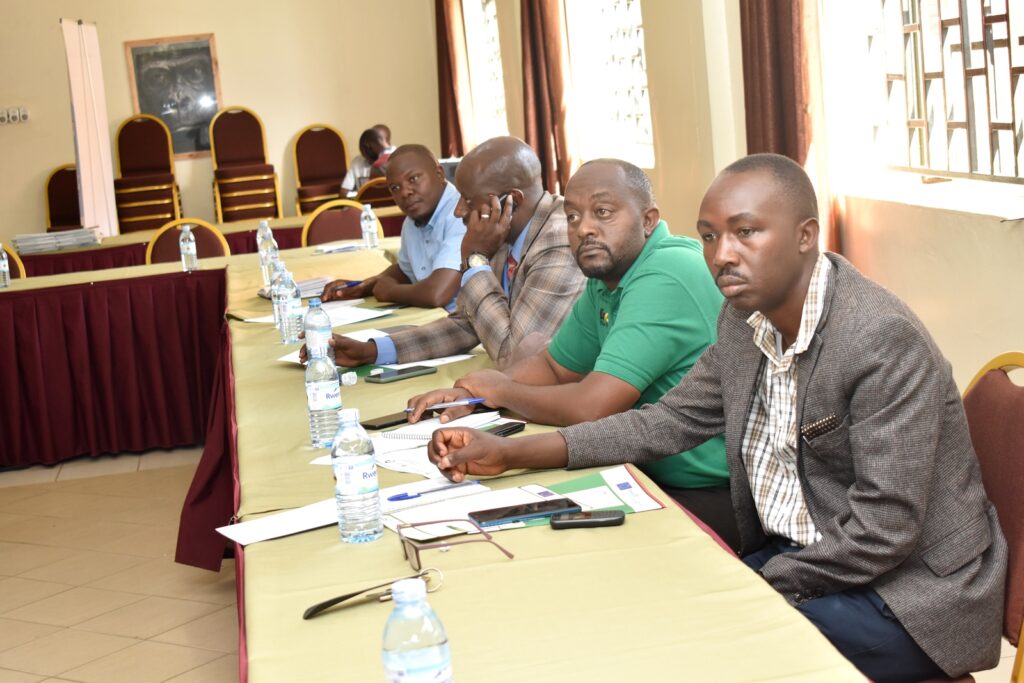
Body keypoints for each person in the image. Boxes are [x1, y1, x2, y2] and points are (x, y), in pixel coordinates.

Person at [424, 153, 1007, 682]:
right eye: (709, 236)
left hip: (912, 596)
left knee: (698, 652)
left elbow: (885, 530)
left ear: (807, 236)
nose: (722, 255)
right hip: (810, 564)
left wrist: (753, 584)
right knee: (642, 608)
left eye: (746, 232)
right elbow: (662, 423)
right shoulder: (744, 322)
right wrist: (507, 452)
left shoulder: (876, 339)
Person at [407, 159, 737, 549]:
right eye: (573, 216)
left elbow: (591, 406)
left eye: (603, 212)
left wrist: (502, 392)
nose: (584, 229)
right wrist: (473, 398)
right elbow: (556, 367)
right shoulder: (609, 277)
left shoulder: (665, 272)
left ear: (648, 220)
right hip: (640, 471)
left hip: (714, 491)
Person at [326, 136, 586, 369]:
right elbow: (465, 323)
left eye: (468, 200)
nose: (458, 211)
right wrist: (372, 351)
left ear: (511, 202)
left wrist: (475, 260)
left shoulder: (560, 241)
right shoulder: (504, 230)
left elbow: (515, 358)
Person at [320, 145, 464, 311]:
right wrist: (363, 286)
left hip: (467, 328)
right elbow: (405, 271)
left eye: (413, 179)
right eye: (395, 188)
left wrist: (390, 292)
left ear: (439, 174)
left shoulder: (460, 214)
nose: (404, 193)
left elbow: (436, 293)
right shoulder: (412, 222)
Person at [341, 124, 396, 193]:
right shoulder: (357, 162)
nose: (368, 145)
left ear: (387, 143)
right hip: (363, 202)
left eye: (374, 141)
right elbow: (344, 192)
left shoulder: (396, 159)